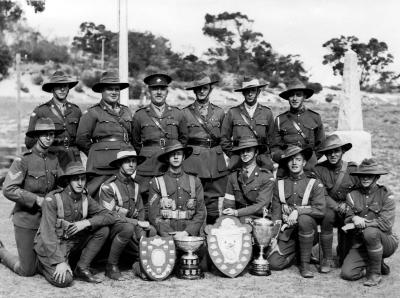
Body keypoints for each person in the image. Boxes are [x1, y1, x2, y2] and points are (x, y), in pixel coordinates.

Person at [33, 161, 115, 287]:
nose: (80, 183)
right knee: (65, 280)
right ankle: (41, 265)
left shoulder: (85, 198)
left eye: (83, 179)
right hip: (53, 246)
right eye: (76, 179)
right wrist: (59, 262)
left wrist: (86, 222)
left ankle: (81, 268)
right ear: (68, 181)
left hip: (71, 243)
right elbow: (47, 234)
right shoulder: (53, 198)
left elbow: (109, 216)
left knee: (102, 230)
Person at [0, 118, 62, 276]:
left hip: (47, 220)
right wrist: (36, 199)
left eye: (52, 134)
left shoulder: (54, 159)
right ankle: (1, 252)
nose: (49, 138)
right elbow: (8, 189)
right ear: (36, 136)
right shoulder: (23, 160)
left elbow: (61, 185)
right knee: (27, 270)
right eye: (44, 134)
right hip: (27, 219)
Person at [132, 73, 187, 214]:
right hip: (148, 164)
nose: (158, 92)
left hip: (169, 164)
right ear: (149, 91)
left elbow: (183, 139)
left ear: (167, 91)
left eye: (162, 88)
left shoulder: (178, 114)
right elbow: (135, 142)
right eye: (155, 88)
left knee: (173, 196)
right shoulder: (140, 115)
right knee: (145, 199)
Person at [267, 145, 325, 278]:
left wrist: (298, 211)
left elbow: (320, 210)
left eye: (298, 160)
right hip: (288, 232)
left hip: (309, 231)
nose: (294, 163)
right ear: (286, 163)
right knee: (274, 264)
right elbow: (276, 213)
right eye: (291, 160)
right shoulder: (279, 183)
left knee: (304, 219)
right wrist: (274, 237)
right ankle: (297, 253)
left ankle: (304, 265)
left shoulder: (314, 183)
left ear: (304, 163)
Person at [99, 147, 156, 280]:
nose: (131, 165)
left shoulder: (135, 186)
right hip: (112, 228)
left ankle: (141, 264)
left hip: (130, 227)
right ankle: (111, 266)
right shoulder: (108, 186)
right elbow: (110, 216)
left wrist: (142, 229)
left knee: (151, 231)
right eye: (127, 162)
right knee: (128, 228)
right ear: (119, 164)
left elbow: (141, 211)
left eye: (134, 161)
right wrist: (136, 223)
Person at [341, 158, 398, 286]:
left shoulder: (385, 194)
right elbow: (347, 218)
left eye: (369, 175)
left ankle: (375, 275)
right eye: (362, 175)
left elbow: (386, 224)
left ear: (376, 177)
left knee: (370, 232)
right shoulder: (352, 194)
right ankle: (376, 263)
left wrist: (363, 223)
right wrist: (354, 218)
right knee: (347, 274)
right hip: (361, 243)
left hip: (386, 241)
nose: (365, 178)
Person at [76, 71, 132, 199]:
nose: (114, 92)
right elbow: (81, 139)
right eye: (109, 89)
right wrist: (97, 152)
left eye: (116, 89)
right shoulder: (93, 112)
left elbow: (131, 136)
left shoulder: (126, 111)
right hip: (101, 166)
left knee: (123, 196)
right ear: (102, 91)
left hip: (123, 162)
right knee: (98, 196)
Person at [182, 74, 229, 224]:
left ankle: (211, 234)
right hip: (194, 162)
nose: (202, 91)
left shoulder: (220, 112)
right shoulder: (185, 113)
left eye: (205, 88)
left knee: (213, 202)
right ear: (194, 91)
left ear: (210, 89)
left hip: (214, 161)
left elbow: (224, 138)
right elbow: (182, 140)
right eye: (199, 89)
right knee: (192, 199)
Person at [314, 134, 359, 271]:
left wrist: (348, 206)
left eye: (336, 151)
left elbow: (358, 192)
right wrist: (337, 206)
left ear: (343, 152)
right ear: (325, 154)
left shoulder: (353, 170)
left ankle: (343, 254)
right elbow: (321, 193)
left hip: (348, 207)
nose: (333, 155)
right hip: (330, 206)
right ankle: (327, 258)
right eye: (329, 152)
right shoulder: (319, 169)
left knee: (348, 222)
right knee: (326, 217)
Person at [148, 140, 205, 238]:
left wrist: (187, 232)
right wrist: (170, 234)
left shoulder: (195, 181)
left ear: (183, 157)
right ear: (167, 158)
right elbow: (154, 216)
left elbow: (200, 212)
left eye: (178, 154)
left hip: (189, 234)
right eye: (172, 154)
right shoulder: (156, 182)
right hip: (166, 234)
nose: (175, 157)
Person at [25, 71, 82, 169]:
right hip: (51, 158)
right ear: (52, 89)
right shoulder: (41, 110)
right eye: (58, 86)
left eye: (65, 86)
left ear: (69, 88)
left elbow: (81, 138)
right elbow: (30, 142)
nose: (62, 89)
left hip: (73, 160)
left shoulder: (76, 110)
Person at [271, 79, 325, 174]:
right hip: (286, 167)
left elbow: (321, 144)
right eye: (292, 95)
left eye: (298, 95)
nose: (295, 98)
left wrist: (310, 159)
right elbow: (274, 147)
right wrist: (283, 157)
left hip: (308, 167)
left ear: (304, 97)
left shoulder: (315, 117)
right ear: (288, 98)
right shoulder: (280, 119)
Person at [220, 77, 274, 171]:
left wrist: (266, 154)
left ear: (258, 92)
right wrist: (234, 155)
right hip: (239, 159)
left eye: (253, 90)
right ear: (243, 93)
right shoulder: (233, 112)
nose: (250, 94)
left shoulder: (267, 113)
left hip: (262, 160)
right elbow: (224, 138)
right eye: (247, 91)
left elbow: (272, 138)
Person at [221, 137, 275, 223]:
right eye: (242, 151)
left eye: (248, 150)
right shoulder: (233, 176)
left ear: (256, 152)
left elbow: (261, 206)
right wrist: (228, 214)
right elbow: (229, 202)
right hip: (237, 218)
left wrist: (236, 212)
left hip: (258, 218)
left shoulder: (266, 176)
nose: (245, 154)